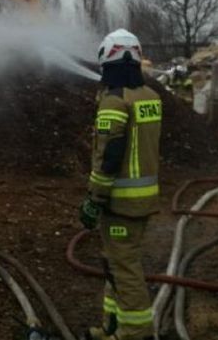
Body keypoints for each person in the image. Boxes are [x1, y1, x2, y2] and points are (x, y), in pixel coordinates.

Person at [79, 29, 162, 340]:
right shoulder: (150, 97)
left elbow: (108, 158)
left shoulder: (114, 103)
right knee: (116, 264)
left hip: (120, 203)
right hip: (144, 200)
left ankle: (136, 333)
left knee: (125, 271)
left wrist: (93, 199)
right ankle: (111, 326)